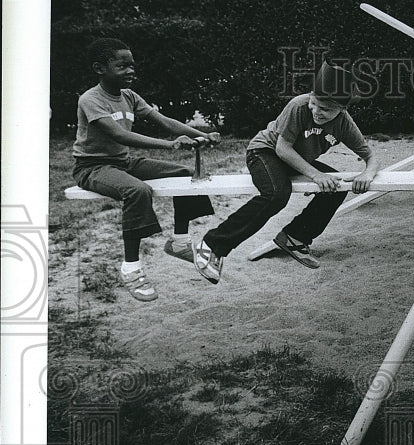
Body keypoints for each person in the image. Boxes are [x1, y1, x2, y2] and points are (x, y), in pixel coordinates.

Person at [193, 59, 381, 283]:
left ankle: (295, 237)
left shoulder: (343, 123)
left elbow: (371, 156)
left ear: (342, 109)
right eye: (314, 103)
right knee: (276, 194)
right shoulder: (299, 106)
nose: (317, 112)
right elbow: (282, 148)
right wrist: (316, 175)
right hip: (265, 152)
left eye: (326, 109)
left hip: (294, 160)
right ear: (310, 96)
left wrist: (367, 174)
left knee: (336, 188)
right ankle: (212, 244)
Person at [72, 37, 218, 302]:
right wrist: (170, 145)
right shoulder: (91, 100)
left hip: (123, 163)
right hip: (92, 167)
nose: (130, 71)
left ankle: (180, 243)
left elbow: (164, 121)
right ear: (99, 69)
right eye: (122, 66)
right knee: (137, 190)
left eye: (132, 65)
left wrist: (203, 135)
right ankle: (131, 268)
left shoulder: (129, 96)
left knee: (183, 175)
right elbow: (120, 135)